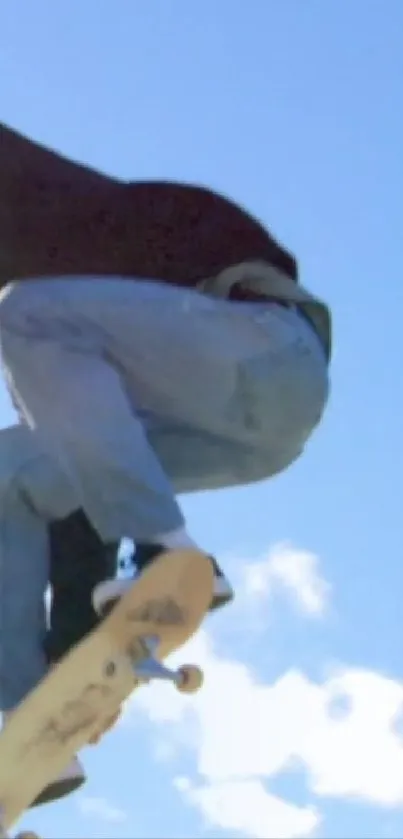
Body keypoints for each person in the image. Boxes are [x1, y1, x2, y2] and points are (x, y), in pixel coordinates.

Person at [0, 123, 332, 805]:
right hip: (231, 434)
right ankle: (17, 704)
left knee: (27, 315)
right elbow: (83, 479)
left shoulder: (83, 230)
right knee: (14, 476)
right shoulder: (78, 342)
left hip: (269, 355)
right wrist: (76, 656)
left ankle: (166, 546)